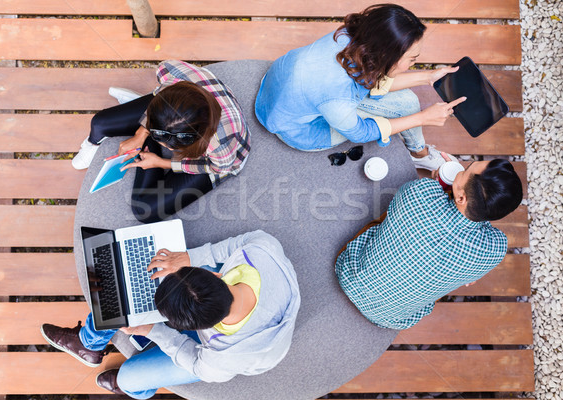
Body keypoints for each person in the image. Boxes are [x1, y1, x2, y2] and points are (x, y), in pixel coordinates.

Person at [40, 230, 300, 398]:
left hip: (233, 348)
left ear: (197, 330)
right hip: (250, 301)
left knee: (129, 380)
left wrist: (155, 331)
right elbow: (240, 242)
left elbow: (199, 365)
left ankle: (130, 385)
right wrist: (188, 257)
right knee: (127, 297)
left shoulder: (225, 358)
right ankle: (89, 343)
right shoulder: (260, 250)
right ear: (213, 274)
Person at [255, 4, 465, 170]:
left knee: (407, 102)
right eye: (412, 59)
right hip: (298, 128)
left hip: (277, 87)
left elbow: (367, 79)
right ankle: (420, 155)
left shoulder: (352, 36)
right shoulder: (336, 97)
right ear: (385, 56)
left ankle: (419, 152)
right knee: (405, 107)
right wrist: (422, 118)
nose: (414, 64)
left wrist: (429, 77)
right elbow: (361, 134)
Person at [335, 157, 523, 329]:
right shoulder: (495, 250)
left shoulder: (421, 192)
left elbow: (417, 198)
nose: (462, 169)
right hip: (391, 318)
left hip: (349, 273)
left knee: (386, 222)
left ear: (461, 198)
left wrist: (439, 184)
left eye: (465, 170)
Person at [72, 60, 251, 223]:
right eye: (158, 134)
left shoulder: (220, 146)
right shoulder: (170, 71)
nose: (167, 146)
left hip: (216, 158)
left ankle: (149, 133)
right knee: (99, 122)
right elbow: (159, 93)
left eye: (169, 144)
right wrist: (140, 134)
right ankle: (96, 142)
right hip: (174, 107)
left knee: (145, 210)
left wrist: (162, 163)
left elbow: (217, 167)